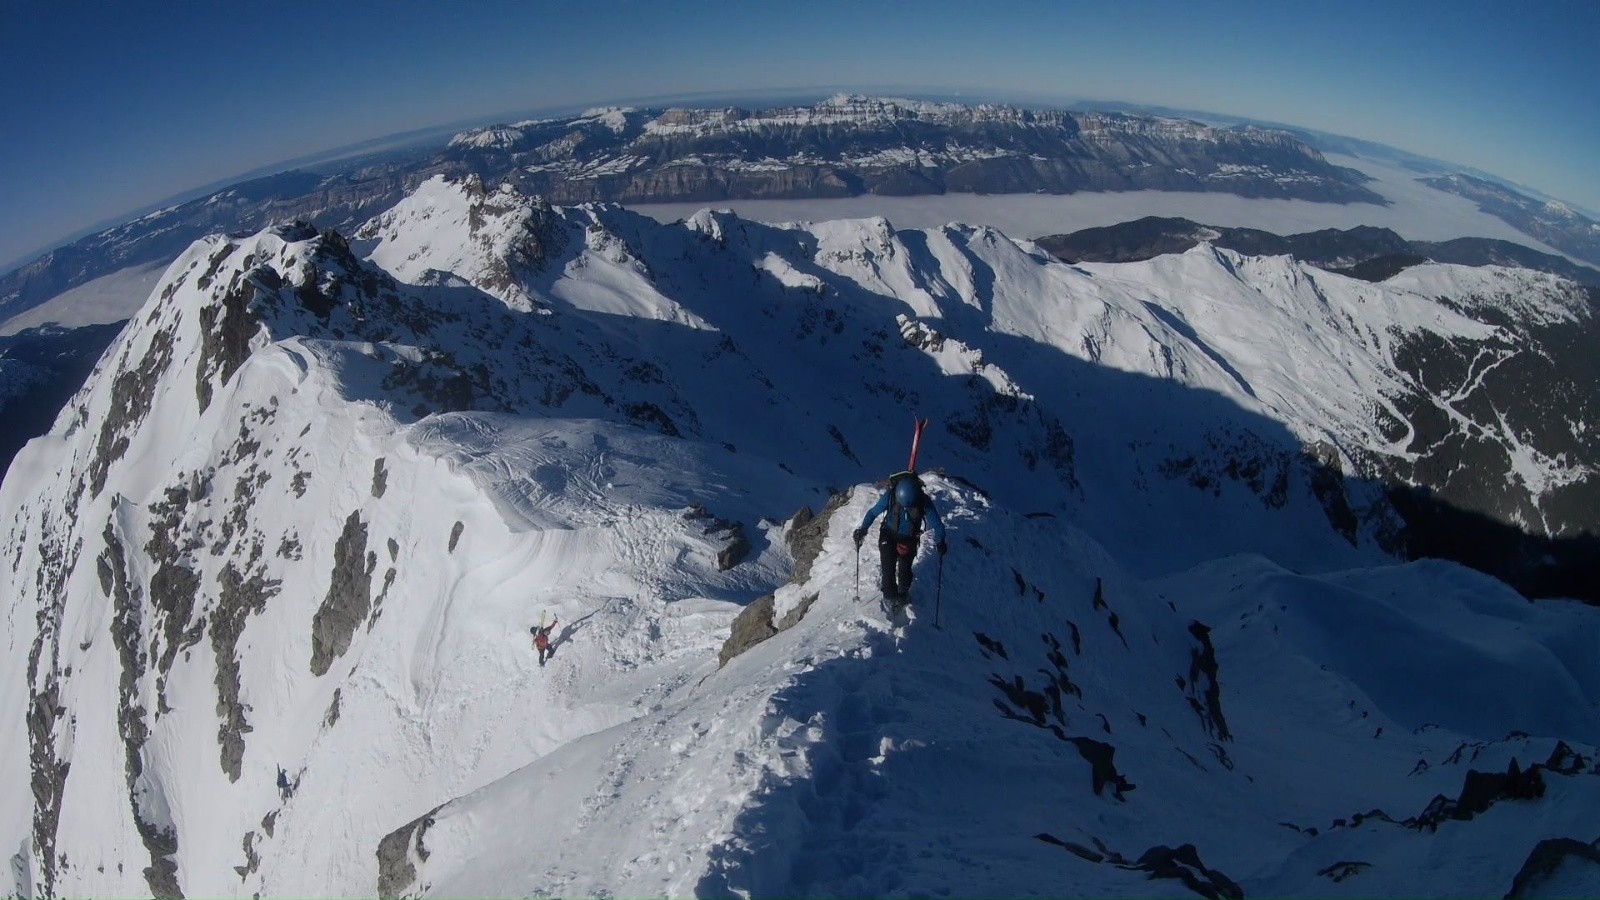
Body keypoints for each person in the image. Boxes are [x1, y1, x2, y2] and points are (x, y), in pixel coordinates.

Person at [853, 472, 945, 607]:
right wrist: (863, 529)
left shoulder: (923, 501)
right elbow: (873, 512)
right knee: (888, 569)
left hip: (909, 539)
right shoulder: (890, 496)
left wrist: (940, 540)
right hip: (888, 535)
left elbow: (937, 524)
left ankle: (902, 595)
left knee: (905, 571)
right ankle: (890, 599)